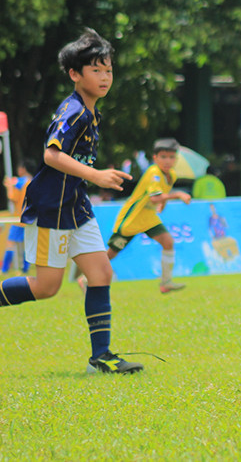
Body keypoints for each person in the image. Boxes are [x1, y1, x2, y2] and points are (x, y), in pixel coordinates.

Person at [0, 28, 141, 374]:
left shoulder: (91, 111)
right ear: (75, 75)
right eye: (96, 70)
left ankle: (102, 357)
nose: (105, 77)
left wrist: (91, 178)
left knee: (100, 273)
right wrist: (96, 176)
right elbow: (51, 155)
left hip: (76, 206)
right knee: (47, 287)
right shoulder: (74, 111)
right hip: (51, 208)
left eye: (108, 70)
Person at [94, 138, 192, 294]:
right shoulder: (154, 173)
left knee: (168, 242)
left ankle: (166, 282)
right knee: (111, 253)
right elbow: (154, 197)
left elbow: (162, 194)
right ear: (155, 158)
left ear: (176, 159)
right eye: (163, 157)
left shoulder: (171, 175)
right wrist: (179, 194)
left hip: (148, 218)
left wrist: (163, 204)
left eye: (171, 157)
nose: (167, 161)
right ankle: (86, 279)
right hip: (132, 218)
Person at [3, 159, 36, 276]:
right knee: (27, 245)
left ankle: (4, 269)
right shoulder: (34, 181)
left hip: (19, 219)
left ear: (23, 169)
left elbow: (12, 198)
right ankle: (25, 269)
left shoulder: (19, 182)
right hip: (30, 218)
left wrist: (8, 187)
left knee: (10, 243)